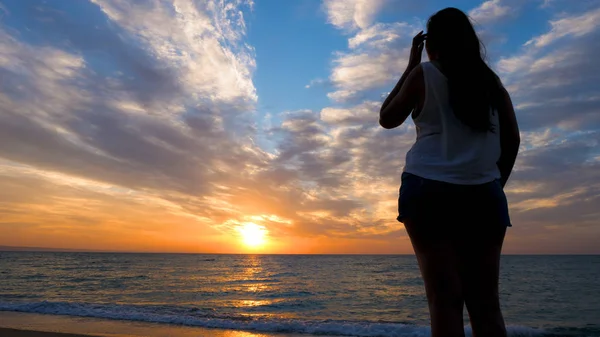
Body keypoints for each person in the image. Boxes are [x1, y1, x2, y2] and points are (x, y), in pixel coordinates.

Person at [379, 7, 520, 337]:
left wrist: (411, 65)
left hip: (428, 192)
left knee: (444, 301)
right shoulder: (491, 84)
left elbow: (387, 117)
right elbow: (512, 139)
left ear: (432, 44)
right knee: (486, 305)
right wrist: (493, 183)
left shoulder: (424, 74)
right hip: (483, 194)